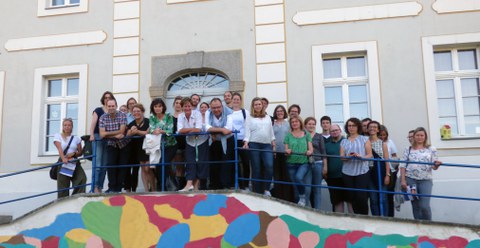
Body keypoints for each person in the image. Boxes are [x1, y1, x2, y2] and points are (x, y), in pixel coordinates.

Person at [400, 127, 442, 221]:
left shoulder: (431, 149)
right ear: (414, 137)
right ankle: (417, 226)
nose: (419, 137)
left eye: (422, 135)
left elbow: (434, 166)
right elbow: (402, 165)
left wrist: (437, 165)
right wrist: (403, 180)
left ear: (425, 136)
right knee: (415, 205)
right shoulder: (408, 149)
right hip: (410, 179)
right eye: (417, 135)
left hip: (426, 180)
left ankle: (429, 225)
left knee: (424, 206)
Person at [340, 117, 372, 215]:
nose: (351, 128)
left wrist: (361, 156)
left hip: (362, 171)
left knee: (361, 197)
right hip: (347, 172)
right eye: (349, 125)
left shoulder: (365, 139)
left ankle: (364, 217)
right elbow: (341, 157)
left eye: (353, 125)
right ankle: (357, 218)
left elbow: (370, 155)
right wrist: (348, 157)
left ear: (358, 127)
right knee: (352, 197)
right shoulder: (344, 141)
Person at [243, 97, 275, 195]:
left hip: (266, 145)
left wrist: (273, 143)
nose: (257, 106)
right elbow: (247, 131)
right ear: (253, 106)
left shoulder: (268, 117)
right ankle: (256, 191)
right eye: (255, 104)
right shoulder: (249, 117)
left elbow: (271, 132)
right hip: (254, 144)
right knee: (256, 168)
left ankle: (266, 189)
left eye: (259, 104)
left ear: (262, 105)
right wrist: (246, 142)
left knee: (269, 166)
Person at [177, 97, 210, 191]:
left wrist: (186, 131)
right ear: (182, 107)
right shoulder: (180, 116)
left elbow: (198, 129)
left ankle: (196, 186)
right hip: (190, 142)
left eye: (189, 106)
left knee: (201, 163)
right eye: (185, 106)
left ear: (192, 106)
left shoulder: (197, 113)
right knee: (190, 162)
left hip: (201, 141)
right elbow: (180, 130)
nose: (187, 108)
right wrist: (192, 130)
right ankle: (189, 184)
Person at [99, 98, 129, 193]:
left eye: (113, 106)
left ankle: (118, 188)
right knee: (110, 166)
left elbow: (122, 131)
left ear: (116, 106)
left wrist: (108, 133)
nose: (111, 108)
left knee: (122, 166)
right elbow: (102, 134)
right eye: (109, 106)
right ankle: (111, 188)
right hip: (111, 144)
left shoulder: (122, 115)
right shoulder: (103, 117)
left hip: (123, 144)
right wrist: (115, 135)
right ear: (106, 107)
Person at [149, 98, 177, 191]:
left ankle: (163, 187)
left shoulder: (169, 116)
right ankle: (163, 185)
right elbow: (152, 130)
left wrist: (160, 131)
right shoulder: (152, 117)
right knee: (156, 166)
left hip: (170, 145)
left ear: (163, 107)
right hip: (157, 146)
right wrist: (158, 131)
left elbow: (170, 130)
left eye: (159, 106)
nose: (157, 108)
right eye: (155, 106)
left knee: (163, 164)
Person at [284, 116, 313, 207]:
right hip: (291, 163)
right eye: (292, 122)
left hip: (303, 162)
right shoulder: (288, 135)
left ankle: (303, 197)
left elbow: (311, 149)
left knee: (298, 178)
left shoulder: (306, 134)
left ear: (300, 122)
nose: (294, 123)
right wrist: (287, 151)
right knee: (295, 187)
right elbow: (286, 150)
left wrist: (309, 151)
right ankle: (298, 207)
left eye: (296, 121)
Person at [89, 91, 115, 193]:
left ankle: (100, 187)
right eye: (105, 97)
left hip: (108, 138)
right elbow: (93, 124)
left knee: (104, 165)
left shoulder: (112, 110)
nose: (107, 99)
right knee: (98, 163)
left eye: (109, 97)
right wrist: (91, 134)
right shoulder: (98, 110)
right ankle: (95, 186)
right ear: (103, 99)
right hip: (97, 137)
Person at [206, 98, 234, 189]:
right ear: (210, 107)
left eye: (218, 107)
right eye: (214, 108)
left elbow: (228, 129)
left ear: (222, 106)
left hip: (227, 141)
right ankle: (214, 185)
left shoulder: (229, 112)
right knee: (213, 164)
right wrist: (221, 129)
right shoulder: (208, 112)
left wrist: (213, 131)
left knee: (226, 163)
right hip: (214, 141)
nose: (216, 110)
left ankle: (225, 185)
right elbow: (207, 127)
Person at [54, 118, 86, 198]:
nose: (67, 127)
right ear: (62, 126)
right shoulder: (58, 136)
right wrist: (63, 158)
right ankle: (63, 202)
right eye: (65, 125)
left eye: (69, 125)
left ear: (72, 127)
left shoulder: (76, 139)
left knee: (82, 179)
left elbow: (80, 152)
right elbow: (60, 149)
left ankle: (76, 197)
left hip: (74, 162)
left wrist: (74, 154)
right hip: (64, 162)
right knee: (63, 185)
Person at [324, 124, 352, 213]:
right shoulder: (327, 145)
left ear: (340, 130)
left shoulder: (347, 142)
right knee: (337, 201)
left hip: (347, 176)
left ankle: (354, 224)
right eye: (332, 131)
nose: (334, 132)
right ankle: (340, 225)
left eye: (336, 130)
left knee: (350, 200)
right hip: (332, 177)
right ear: (330, 133)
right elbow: (325, 159)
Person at [226, 93, 250, 190]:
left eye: (237, 99)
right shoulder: (228, 112)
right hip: (232, 140)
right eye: (234, 99)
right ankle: (237, 184)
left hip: (242, 140)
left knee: (245, 162)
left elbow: (247, 127)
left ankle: (246, 184)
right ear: (231, 100)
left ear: (240, 101)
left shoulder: (245, 112)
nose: (236, 101)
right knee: (234, 163)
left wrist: (246, 141)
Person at [367, 121, 391, 216]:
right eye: (370, 127)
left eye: (374, 127)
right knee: (373, 199)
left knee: (383, 198)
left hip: (381, 172)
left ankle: (385, 218)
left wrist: (387, 175)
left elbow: (386, 160)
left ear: (377, 129)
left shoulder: (382, 144)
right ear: (368, 129)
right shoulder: (365, 141)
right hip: (369, 172)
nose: (372, 128)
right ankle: (375, 218)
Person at [125, 104, 150, 192]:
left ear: (142, 112)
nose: (136, 113)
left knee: (148, 168)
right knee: (143, 169)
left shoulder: (148, 121)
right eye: (134, 111)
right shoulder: (131, 124)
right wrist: (131, 131)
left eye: (138, 111)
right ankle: (146, 189)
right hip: (137, 148)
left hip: (148, 147)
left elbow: (148, 132)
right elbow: (127, 134)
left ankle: (153, 188)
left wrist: (137, 131)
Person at [272, 104, 293, 201]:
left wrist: (289, 149)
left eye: (281, 111)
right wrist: (274, 149)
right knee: (277, 175)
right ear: (275, 113)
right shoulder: (272, 123)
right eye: (278, 111)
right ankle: (278, 197)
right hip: (276, 153)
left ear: (284, 112)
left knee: (286, 175)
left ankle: (287, 198)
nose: (280, 113)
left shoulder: (288, 124)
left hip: (286, 153)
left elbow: (291, 138)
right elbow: (271, 138)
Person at [305, 117, 327, 210]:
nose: (311, 126)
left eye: (313, 124)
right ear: (305, 125)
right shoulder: (302, 135)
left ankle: (317, 210)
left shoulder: (319, 136)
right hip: (306, 163)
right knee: (307, 189)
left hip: (318, 163)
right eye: (309, 124)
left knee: (317, 189)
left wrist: (325, 166)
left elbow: (323, 152)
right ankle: (305, 210)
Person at [379, 124, 398, 217]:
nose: (382, 137)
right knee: (382, 195)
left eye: (384, 135)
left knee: (390, 195)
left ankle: (391, 216)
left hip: (391, 170)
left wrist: (393, 168)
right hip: (379, 170)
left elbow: (394, 155)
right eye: (380, 135)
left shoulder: (390, 142)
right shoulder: (374, 143)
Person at [172, 96, 186, 190]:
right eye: (176, 103)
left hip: (185, 143)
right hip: (174, 144)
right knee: (177, 166)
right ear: (174, 104)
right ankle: (177, 185)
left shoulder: (185, 116)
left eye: (180, 103)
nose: (178, 104)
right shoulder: (170, 117)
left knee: (185, 165)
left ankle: (183, 183)